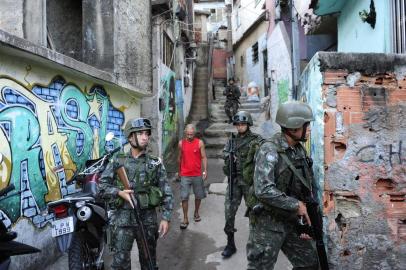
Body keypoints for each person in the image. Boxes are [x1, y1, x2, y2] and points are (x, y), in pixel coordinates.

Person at [246, 101, 319, 269]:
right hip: (267, 223)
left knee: (309, 262)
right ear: (293, 128)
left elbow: (304, 184)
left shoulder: (299, 150)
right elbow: (263, 189)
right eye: (306, 125)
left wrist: (307, 222)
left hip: (290, 221)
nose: (309, 129)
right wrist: (295, 205)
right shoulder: (269, 150)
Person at [99, 117, 174, 270]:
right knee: (120, 264)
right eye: (140, 133)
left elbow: (166, 190)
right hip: (122, 221)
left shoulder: (155, 163)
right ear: (130, 137)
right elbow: (102, 186)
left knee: (149, 262)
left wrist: (166, 218)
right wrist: (120, 192)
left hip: (147, 221)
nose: (145, 137)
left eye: (147, 133)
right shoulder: (118, 161)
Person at [222, 111, 262, 258]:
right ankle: (230, 244)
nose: (240, 127)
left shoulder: (256, 140)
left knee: (255, 213)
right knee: (229, 213)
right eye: (238, 124)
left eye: (243, 124)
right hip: (234, 182)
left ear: (248, 124)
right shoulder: (231, 141)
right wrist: (228, 156)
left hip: (249, 182)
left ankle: (255, 245)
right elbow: (224, 153)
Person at [178, 124, 208, 229]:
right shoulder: (181, 143)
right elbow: (180, 158)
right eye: (188, 134)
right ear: (185, 133)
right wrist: (179, 172)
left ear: (194, 133)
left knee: (198, 195)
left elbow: (203, 157)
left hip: (197, 174)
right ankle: (185, 218)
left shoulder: (200, 143)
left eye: (191, 134)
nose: (190, 136)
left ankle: (196, 212)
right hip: (185, 175)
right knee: (184, 196)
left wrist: (205, 170)